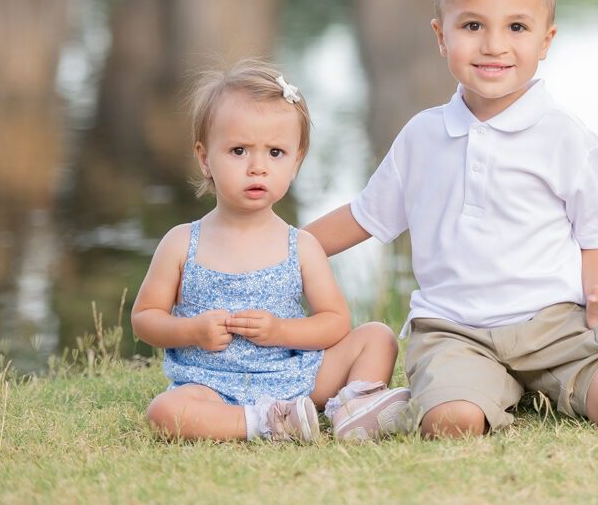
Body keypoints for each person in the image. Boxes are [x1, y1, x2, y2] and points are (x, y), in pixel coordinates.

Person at [305, 0, 598, 438]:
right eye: (473, 25)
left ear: (545, 40)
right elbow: (362, 217)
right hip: (455, 331)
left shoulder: (566, 137)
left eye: (516, 27)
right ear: (441, 36)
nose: (494, 45)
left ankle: (538, 381)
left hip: (557, 326)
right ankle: (473, 386)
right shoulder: (422, 137)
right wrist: (284, 249)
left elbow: (595, 238)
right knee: (451, 423)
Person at [131, 60, 414, 443]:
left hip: (295, 379)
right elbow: (145, 319)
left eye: (276, 153)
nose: (257, 167)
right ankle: (263, 422)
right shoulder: (182, 243)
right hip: (211, 385)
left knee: (378, 337)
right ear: (204, 158)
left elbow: (334, 322)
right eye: (239, 151)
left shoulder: (301, 246)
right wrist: (192, 331)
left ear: (296, 162)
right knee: (165, 411)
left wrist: (280, 330)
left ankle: (352, 409)